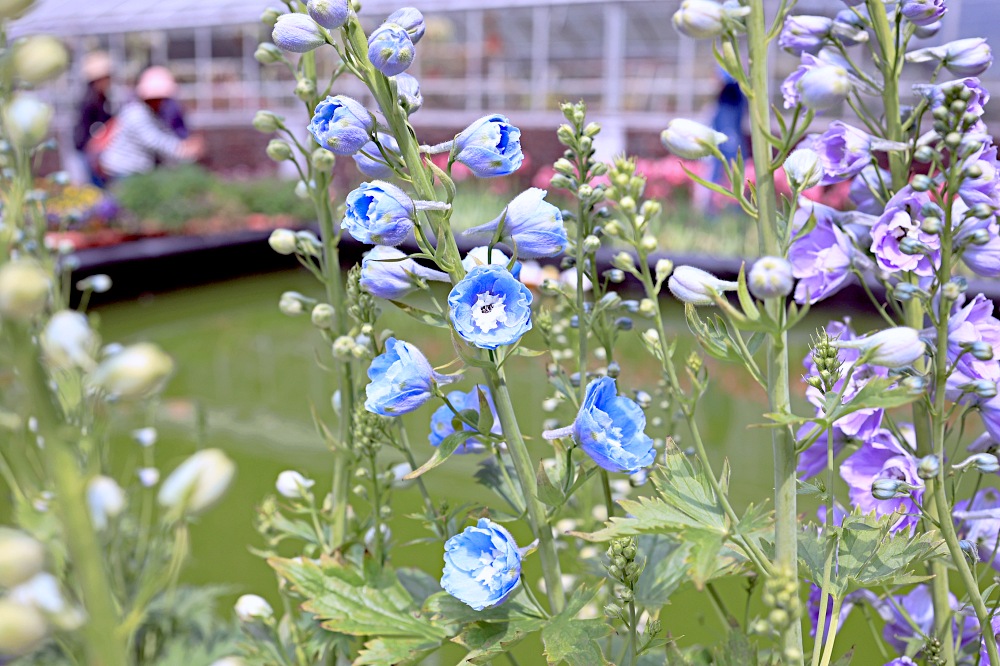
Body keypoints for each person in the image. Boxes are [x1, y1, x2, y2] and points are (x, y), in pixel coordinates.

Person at [98, 66, 203, 180]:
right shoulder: (136, 113)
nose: (160, 102)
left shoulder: (150, 112)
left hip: (136, 170)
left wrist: (185, 145)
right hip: (122, 171)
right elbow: (153, 140)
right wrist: (182, 150)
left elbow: (164, 132)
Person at [74, 51, 113, 185]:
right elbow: (89, 133)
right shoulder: (90, 102)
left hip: (94, 152)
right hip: (88, 153)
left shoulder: (101, 99)